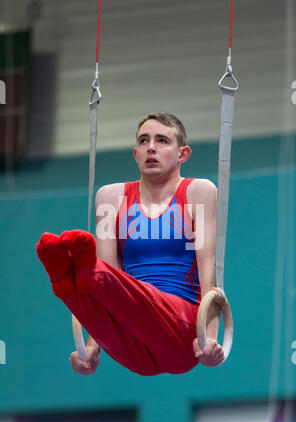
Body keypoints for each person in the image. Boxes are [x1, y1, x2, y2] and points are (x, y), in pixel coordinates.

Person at [36, 113, 224, 376]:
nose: (151, 147)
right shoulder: (110, 197)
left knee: (104, 277)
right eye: (144, 141)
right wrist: (90, 347)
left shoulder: (199, 192)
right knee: (97, 282)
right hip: (132, 345)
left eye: (162, 140)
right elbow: (109, 286)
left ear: (183, 154)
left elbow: (208, 274)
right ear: (135, 154)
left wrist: (209, 338)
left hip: (181, 333)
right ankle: (66, 282)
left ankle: (74, 273)